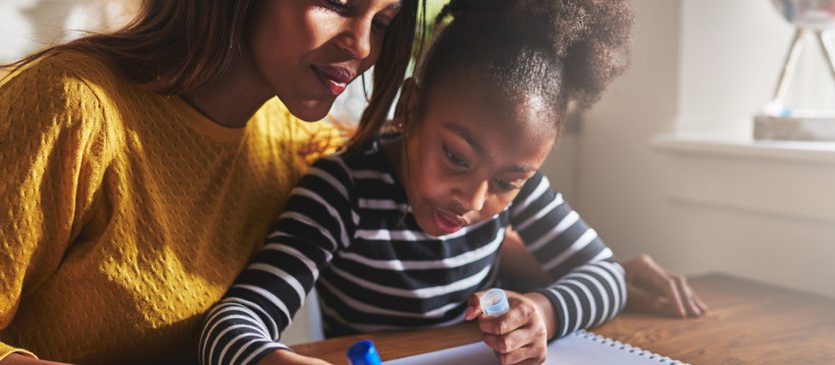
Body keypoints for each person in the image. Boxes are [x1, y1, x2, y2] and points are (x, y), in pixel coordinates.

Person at [199, 1, 647, 365]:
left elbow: (608, 277)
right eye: (455, 156)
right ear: (410, 108)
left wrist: (543, 314)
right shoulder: (341, 191)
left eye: (507, 180)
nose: (472, 200)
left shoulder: (519, 191)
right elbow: (234, 321)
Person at [0, 1, 425, 364]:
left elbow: (434, 176)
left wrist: (495, 305)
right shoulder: (73, 108)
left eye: (384, 23)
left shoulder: (294, 144)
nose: (363, 46)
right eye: (337, 3)